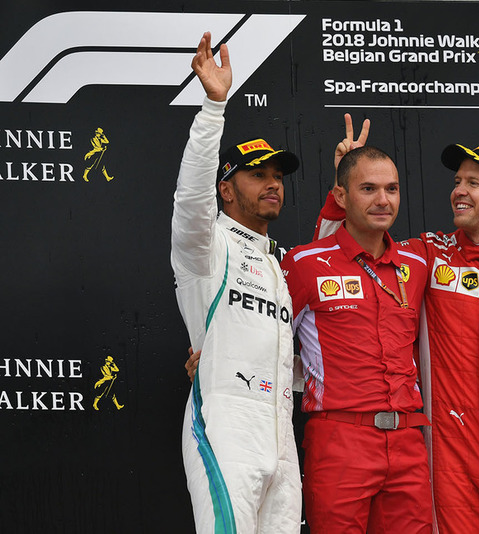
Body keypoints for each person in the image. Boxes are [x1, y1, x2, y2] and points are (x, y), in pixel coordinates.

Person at [317, 120, 479, 533]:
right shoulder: (425, 255)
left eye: (473, 183)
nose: (458, 190)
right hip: (449, 454)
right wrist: (344, 187)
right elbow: (335, 257)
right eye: (458, 181)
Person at [171, 32, 300, 534]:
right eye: (255, 174)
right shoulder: (207, 246)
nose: (272, 183)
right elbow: (190, 200)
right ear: (226, 188)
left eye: (278, 176)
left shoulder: (280, 262)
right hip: (226, 426)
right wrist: (213, 109)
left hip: (282, 435)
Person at [281, 145, 433, 533]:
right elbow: (264, 336)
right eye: (368, 188)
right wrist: (216, 356)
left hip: (408, 439)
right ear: (340, 197)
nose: (383, 200)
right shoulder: (304, 264)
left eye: (392, 189)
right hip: (340, 437)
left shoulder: (417, 266)